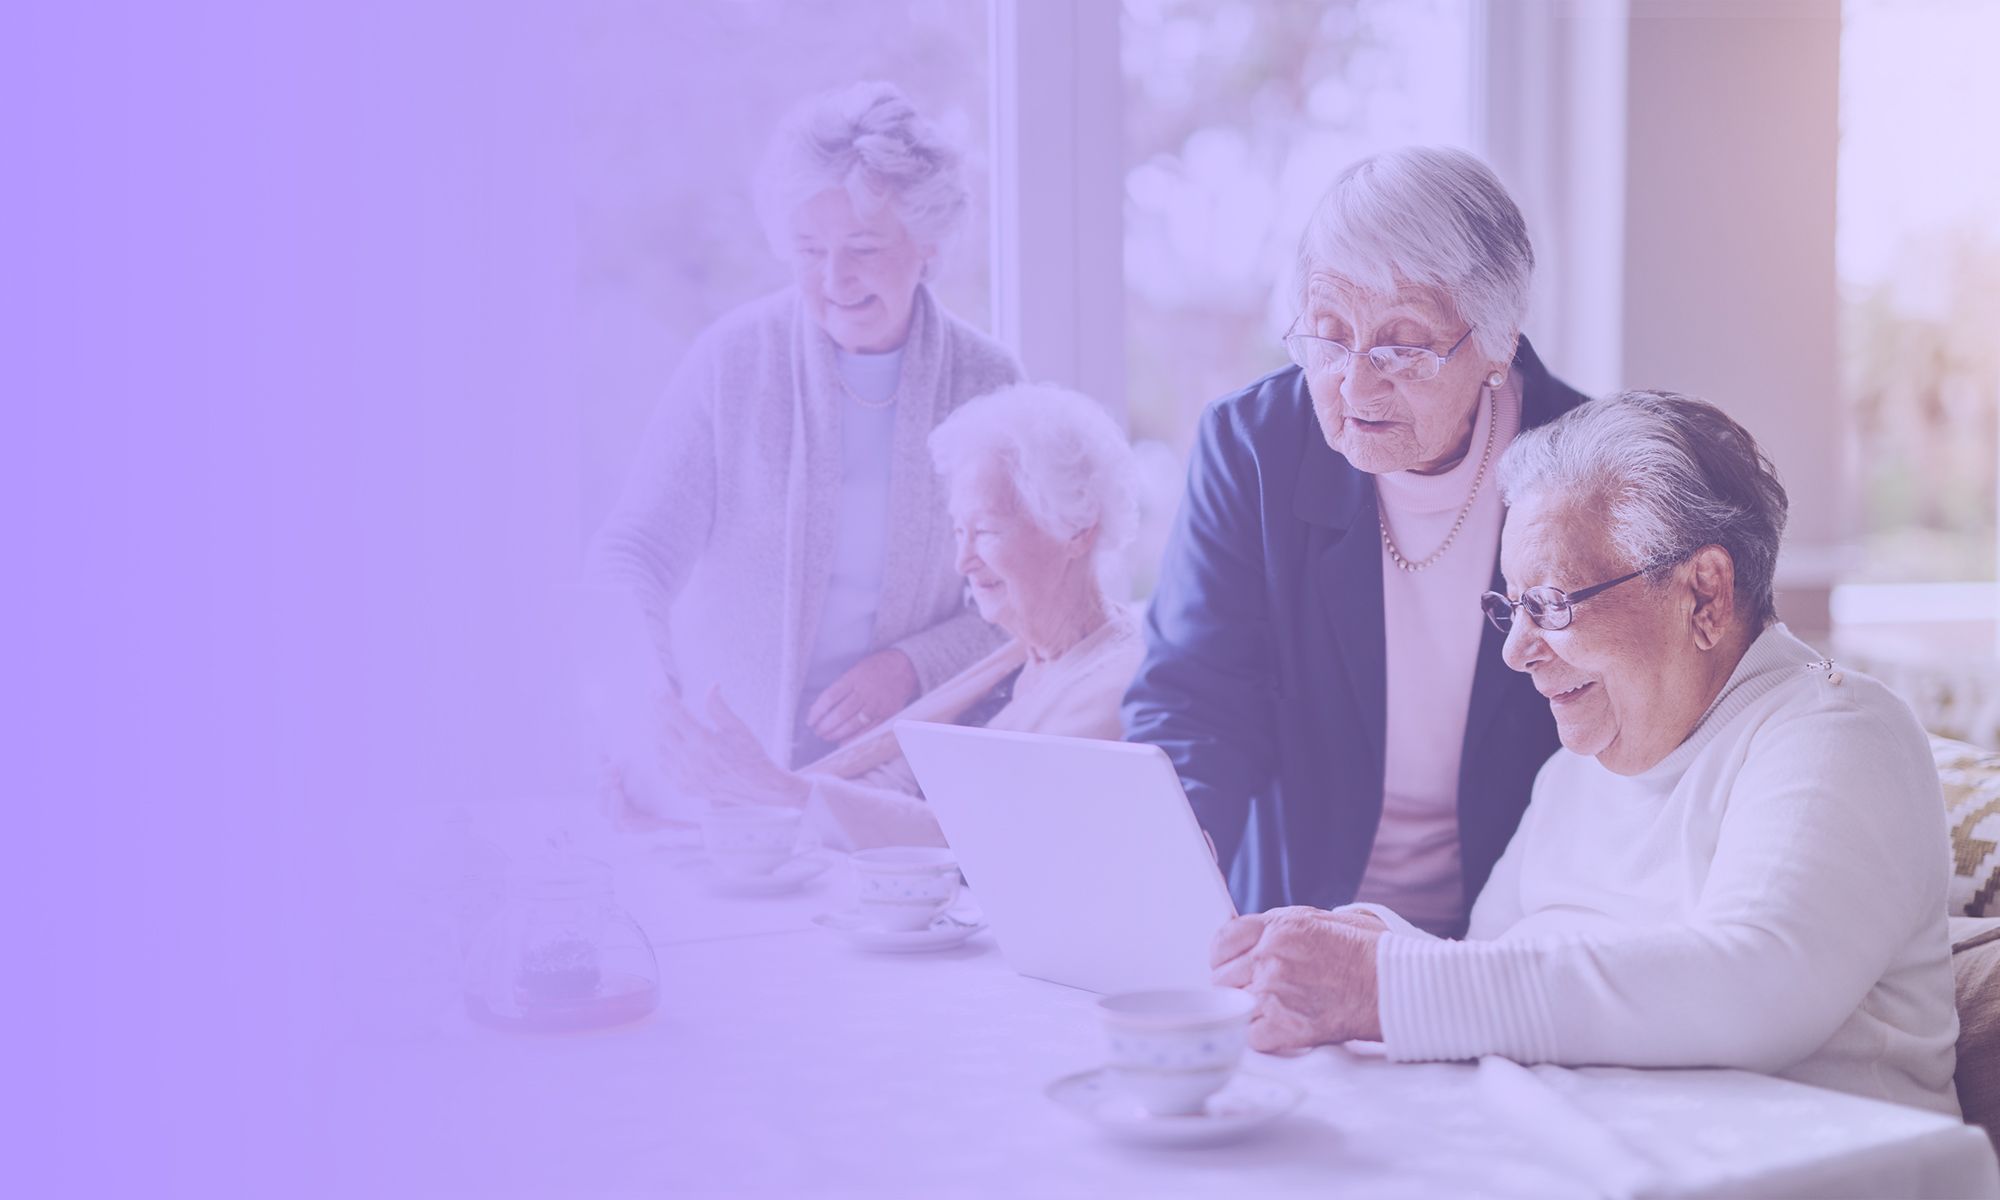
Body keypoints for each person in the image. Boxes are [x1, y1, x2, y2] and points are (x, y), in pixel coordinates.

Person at [1210, 392, 1959, 1115]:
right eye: (1511, 605)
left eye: (1552, 604)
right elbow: (1487, 978)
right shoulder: (1576, 770)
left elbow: (1751, 988)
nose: (1516, 650)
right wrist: (1372, 942)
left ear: (1705, 593)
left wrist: (1386, 984)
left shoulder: (1837, 732)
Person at [1125, 147, 1589, 935]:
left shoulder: (1588, 465)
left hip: (1519, 935)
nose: (1354, 383)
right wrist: (1177, 857)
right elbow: (1196, 702)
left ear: (1499, 338)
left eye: (1402, 346)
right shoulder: (1255, 449)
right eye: (1330, 336)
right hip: (1299, 918)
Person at [588, 81, 1021, 785]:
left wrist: (912, 665)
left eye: (863, 247)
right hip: (722, 765)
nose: (834, 278)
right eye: (809, 249)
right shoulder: (732, 362)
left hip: (901, 775)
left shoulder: (987, 383)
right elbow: (632, 551)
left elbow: (1026, 602)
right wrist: (651, 687)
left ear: (927, 244)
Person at [660, 383, 1145, 848]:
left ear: (1077, 529)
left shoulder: (1119, 684)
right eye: (959, 532)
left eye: (987, 531)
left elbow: (983, 837)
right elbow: (889, 783)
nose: (963, 562)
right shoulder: (1013, 657)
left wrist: (780, 793)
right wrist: (705, 802)